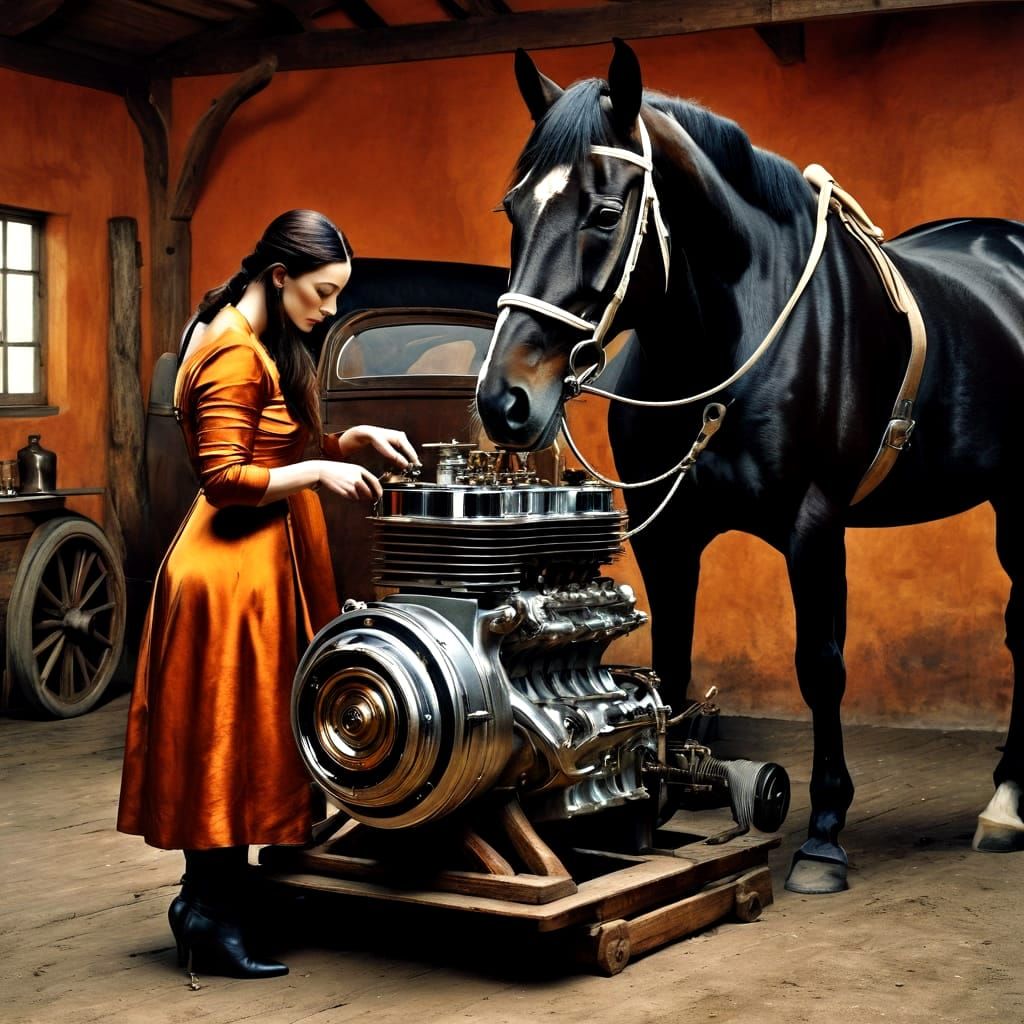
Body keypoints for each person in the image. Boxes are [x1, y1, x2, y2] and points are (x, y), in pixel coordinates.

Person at [117, 210, 418, 979]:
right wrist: (318, 474)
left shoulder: (260, 343)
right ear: (279, 277)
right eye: (322, 293)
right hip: (230, 578)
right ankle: (207, 911)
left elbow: (268, 442)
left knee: (258, 735)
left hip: (264, 571)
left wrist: (344, 443)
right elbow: (225, 480)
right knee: (224, 737)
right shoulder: (227, 352)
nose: (329, 310)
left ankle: (233, 900)